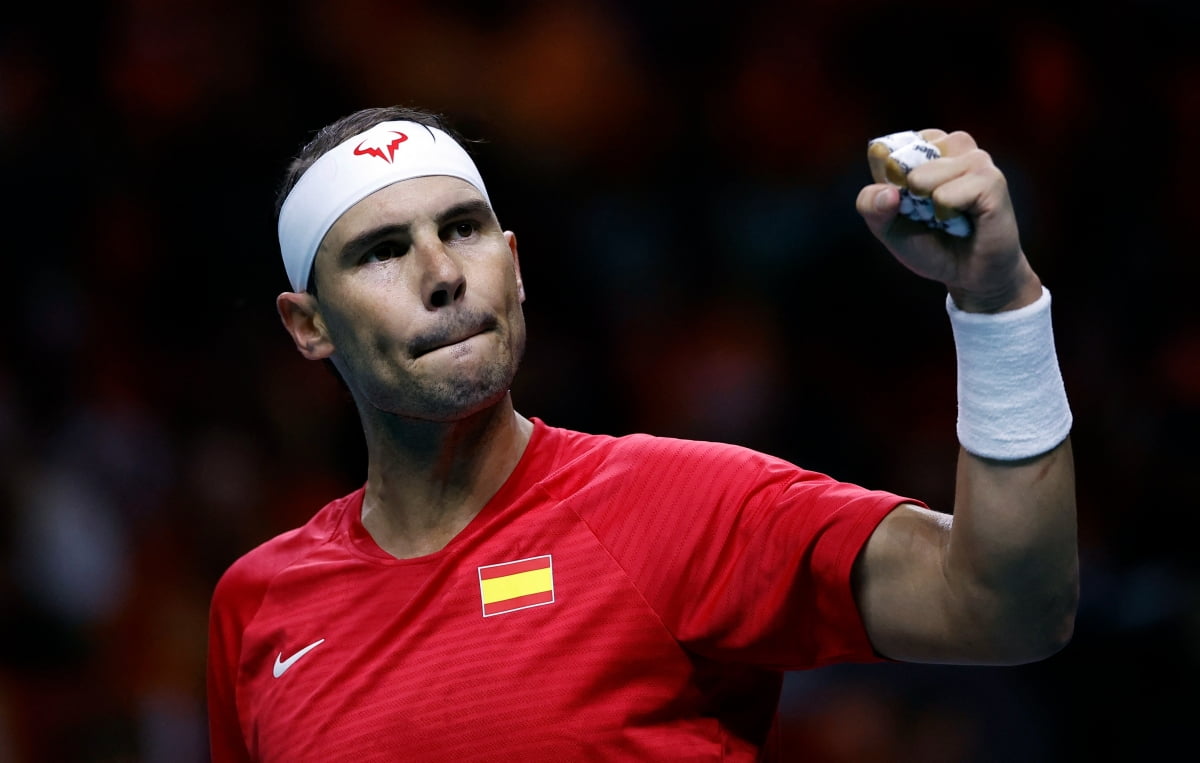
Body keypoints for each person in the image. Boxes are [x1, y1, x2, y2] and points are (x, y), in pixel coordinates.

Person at [206, 105, 1077, 762]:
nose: (442, 275)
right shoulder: (257, 607)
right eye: (383, 251)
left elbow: (1006, 607)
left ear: (513, 264)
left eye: (463, 229)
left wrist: (999, 303)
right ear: (308, 324)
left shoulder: (679, 505)